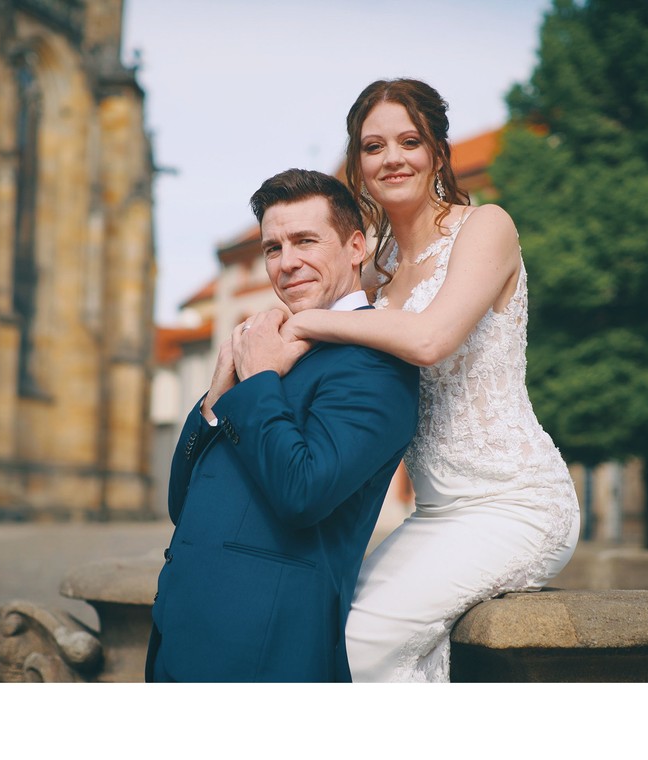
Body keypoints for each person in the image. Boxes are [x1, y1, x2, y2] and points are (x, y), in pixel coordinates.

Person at [278, 79, 581, 682]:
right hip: (436, 513)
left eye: (409, 141)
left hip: (516, 503)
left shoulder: (485, 227)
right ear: (357, 166)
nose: (392, 158)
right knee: (326, 624)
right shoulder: (379, 275)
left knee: (359, 648)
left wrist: (306, 322)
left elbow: (430, 339)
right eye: (373, 147)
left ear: (438, 152)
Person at [146, 168, 419, 682]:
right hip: (181, 637)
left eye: (305, 241)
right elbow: (183, 504)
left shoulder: (375, 360)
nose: (286, 262)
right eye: (273, 247)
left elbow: (304, 492)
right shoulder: (262, 351)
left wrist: (260, 380)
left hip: (265, 648)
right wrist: (217, 398)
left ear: (355, 247)